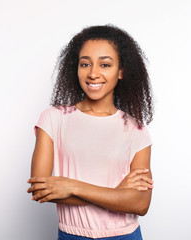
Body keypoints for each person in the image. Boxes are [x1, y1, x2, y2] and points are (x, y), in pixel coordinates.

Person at [27, 24, 154, 240]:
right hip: (71, 235)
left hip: (125, 236)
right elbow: (41, 188)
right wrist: (117, 193)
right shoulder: (54, 119)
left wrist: (71, 186)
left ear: (121, 71)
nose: (93, 73)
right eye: (85, 64)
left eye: (105, 64)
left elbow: (140, 204)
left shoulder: (136, 130)